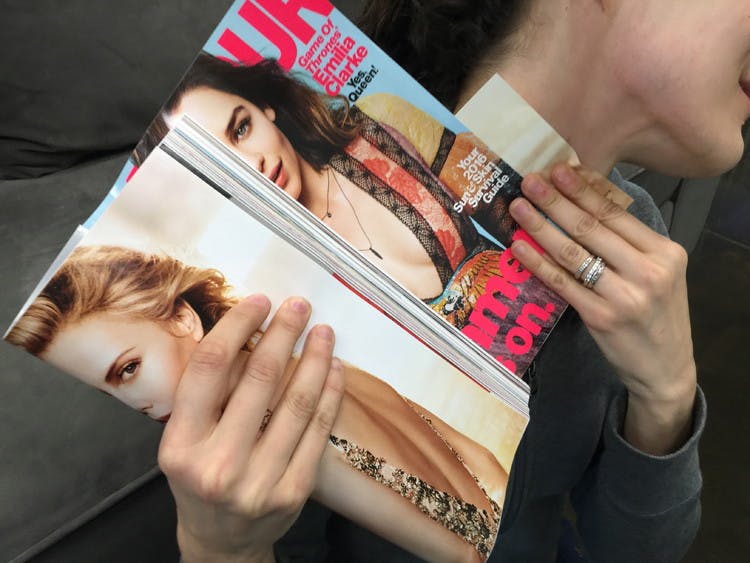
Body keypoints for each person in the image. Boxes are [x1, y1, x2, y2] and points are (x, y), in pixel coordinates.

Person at [6, 244, 510, 562]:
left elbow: (470, 551)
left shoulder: (278, 442)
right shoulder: (320, 364)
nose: (133, 402)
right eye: (107, 389)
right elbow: (487, 465)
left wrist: (214, 551)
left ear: (183, 319)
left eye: (129, 369)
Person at [133, 53, 564, 338]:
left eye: (241, 128)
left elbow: (510, 203)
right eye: (223, 164)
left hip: (552, 304)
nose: (253, 163)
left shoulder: (380, 122)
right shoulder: (272, 281)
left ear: (264, 106)